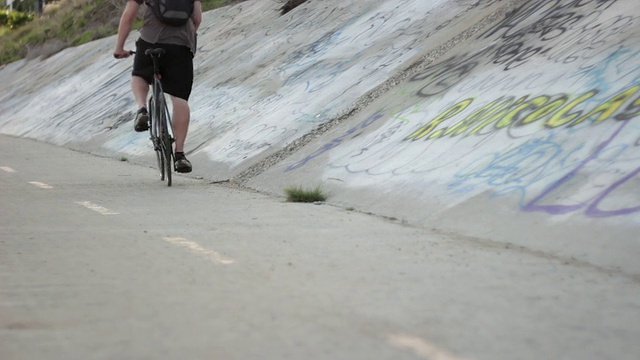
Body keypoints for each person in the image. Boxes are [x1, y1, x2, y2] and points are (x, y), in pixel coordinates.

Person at [113, 0, 202, 173]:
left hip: (150, 41)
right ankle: (180, 155)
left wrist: (119, 48)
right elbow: (197, 18)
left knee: (139, 75)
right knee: (179, 97)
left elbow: (128, 17)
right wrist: (185, 38)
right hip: (180, 47)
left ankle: (142, 109)